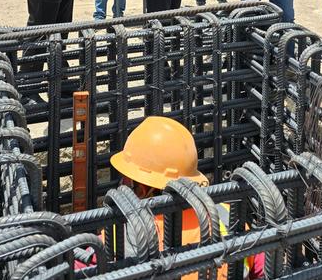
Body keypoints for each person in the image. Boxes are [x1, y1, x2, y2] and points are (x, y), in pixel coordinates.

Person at [106, 116, 264, 279]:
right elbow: (267, 268)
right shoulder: (228, 218)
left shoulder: (118, 236)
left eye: (126, 176)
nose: (121, 183)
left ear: (144, 187)